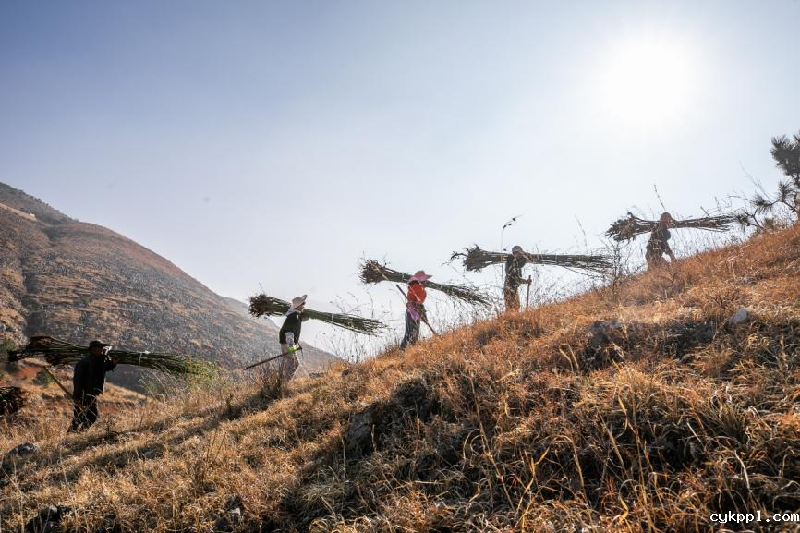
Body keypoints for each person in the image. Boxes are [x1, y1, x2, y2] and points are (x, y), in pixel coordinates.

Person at [70, 340, 117, 431]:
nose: (102, 350)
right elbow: (77, 380)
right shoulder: (84, 362)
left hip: (91, 394)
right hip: (83, 394)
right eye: (100, 348)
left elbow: (103, 368)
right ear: (94, 349)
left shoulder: (98, 361)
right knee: (86, 416)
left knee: (90, 416)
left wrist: (112, 364)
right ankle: (72, 434)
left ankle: (78, 434)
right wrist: (77, 396)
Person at [278, 295, 309, 381]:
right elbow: (289, 334)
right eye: (303, 303)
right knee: (294, 363)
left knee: (286, 363)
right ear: (298, 306)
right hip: (288, 343)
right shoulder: (293, 317)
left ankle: (279, 382)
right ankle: (284, 384)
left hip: (285, 342)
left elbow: (305, 318)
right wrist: (292, 348)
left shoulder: (295, 315)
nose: (304, 305)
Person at [400, 270, 431, 350]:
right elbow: (418, 303)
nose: (426, 281)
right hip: (414, 312)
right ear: (422, 280)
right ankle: (411, 350)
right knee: (414, 332)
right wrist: (424, 315)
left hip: (410, 311)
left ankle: (403, 349)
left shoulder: (412, 287)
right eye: (425, 280)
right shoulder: (419, 287)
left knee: (408, 332)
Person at [504, 246, 532, 311]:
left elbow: (518, 279)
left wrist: (526, 281)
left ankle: (513, 319)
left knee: (516, 306)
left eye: (519, 253)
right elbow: (512, 275)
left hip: (514, 287)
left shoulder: (518, 265)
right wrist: (525, 281)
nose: (517, 255)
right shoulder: (510, 259)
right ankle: (509, 319)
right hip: (509, 287)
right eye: (516, 253)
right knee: (510, 306)